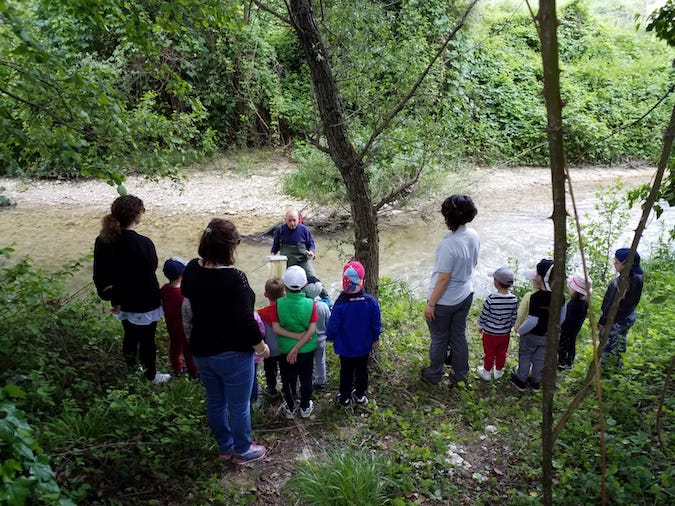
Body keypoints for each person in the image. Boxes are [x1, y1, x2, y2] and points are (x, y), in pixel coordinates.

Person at [180, 218, 269, 464]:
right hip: (232, 353)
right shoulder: (235, 279)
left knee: (215, 401)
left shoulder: (191, 269)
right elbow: (246, 321)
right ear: (229, 248)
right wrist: (261, 346)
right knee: (239, 405)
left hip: (201, 349)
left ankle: (224, 446)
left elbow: (187, 293)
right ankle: (242, 450)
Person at [93, 194, 170, 385]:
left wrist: (109, 294)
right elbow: (150, 269)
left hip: (120, 299)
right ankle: (151, 375)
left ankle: (131, 370)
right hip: (144, 300)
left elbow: (99, 273)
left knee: (129, 335)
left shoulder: (102, 240)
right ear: (137, 215)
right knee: (147, 340)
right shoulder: (143, 243)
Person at [422, 195, 480, 386]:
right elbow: (474, 262)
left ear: (449, 217)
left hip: (445, 301)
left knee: (439, 338)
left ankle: (434, 374)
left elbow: (443, 279)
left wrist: (431, 304)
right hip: (465, 293)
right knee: (458, 335)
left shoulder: (449, 245)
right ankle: (461, 376)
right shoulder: (473, 235)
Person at [326, 261, 382, 407]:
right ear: (363, 281)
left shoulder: (340, 303)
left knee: (346, 372)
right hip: (364, 345)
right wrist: (376, 337)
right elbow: (376, 322)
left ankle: (345, 397)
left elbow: (334, 323)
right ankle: (360, 395)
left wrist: (330, 336)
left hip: (345, 347)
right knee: (362, 370)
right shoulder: (370, 301)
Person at [272, 265, 318, 419]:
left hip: (285, 350)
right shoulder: (311, 304)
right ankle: (305, 407)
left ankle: (290, 407)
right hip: (306, 350)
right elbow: (311, 330)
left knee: (288, 379)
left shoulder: (278, 304)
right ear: (305, 285)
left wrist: (293, 343)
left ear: (284, 285)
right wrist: (299, 344)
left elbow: (276, 329)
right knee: (306, 378)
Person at [510, 258, 554, 393]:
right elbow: (562, 318)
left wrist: (521, 331)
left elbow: (532, 321)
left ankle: (521, 380)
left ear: (539, 278)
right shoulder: (559, 297)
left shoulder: (536, 297)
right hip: (547, 336)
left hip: (532, 335)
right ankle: (536, 382)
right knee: (540, 358)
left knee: (525, 356)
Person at [598, 248, 644, 369]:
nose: (614, 263)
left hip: (615, 320)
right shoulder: (638, 278)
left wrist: (603, 321)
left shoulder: (618, 284)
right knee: (620, 340)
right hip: (628, 317)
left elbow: (610, 305)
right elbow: (636, 300)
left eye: (617, 262)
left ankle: (605, 368)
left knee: (607, 342)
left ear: (626, 265)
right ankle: (618, 365)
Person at [271, 209, 329, 299]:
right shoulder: (280, 230)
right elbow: (275, 246)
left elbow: (311, 244)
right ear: (285, 219)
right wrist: (272, 255)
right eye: (289, 220)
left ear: (298, 219)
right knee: (281, 283)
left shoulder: (304, 230)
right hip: (286, 262)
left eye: (294, 220)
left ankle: (326, 299)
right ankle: (283, 300)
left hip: (302, 261)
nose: (292, 223)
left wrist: (311, 252)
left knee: (314, 280)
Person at [476, 266, 518, 381]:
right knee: (501, 353)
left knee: (489, 353)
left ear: (496, 282)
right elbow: (514, 316)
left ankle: (487, 372)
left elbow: (484, 314)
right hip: (504, 333)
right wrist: (508, 326)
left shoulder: (491, 298)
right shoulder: (513, 299)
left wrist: (481, 326)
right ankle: (498, 372)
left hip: (490, 333)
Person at [160, 257, 198, 378]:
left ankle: (177, 367)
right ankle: (194, 373)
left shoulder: (165, 289)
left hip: (171, 326)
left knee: (175, 346)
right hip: (184, 329)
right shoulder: (183, 294)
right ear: (182, 274)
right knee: (189, 352)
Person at [256, 278, 285, 398]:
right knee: (285, 371)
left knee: (270, 371)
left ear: (265, 295)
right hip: (284, 348)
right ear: (284, 294)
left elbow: (260, 332)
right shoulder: (286, 311)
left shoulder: (260, 314)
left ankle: (272, 389)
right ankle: (286, 388)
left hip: (269, 350)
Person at [557, 273, 591, 371]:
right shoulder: (584, 302)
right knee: (571, 345)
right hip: (574, 330)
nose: (568, 287)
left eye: (570, 286)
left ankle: (562, 364)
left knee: (563, 346)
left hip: (567, 330)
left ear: (575, 290)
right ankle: (569, 362)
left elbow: (567, 319)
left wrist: (560, 327)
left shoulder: (574, 305)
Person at [305, 279, 331, 391]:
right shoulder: (323, 306)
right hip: (321, 340)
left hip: (308, 340)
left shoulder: (304, 307)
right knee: (320, 361)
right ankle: (321, 382)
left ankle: (307, 380)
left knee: (308, 362)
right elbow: (328, 322)